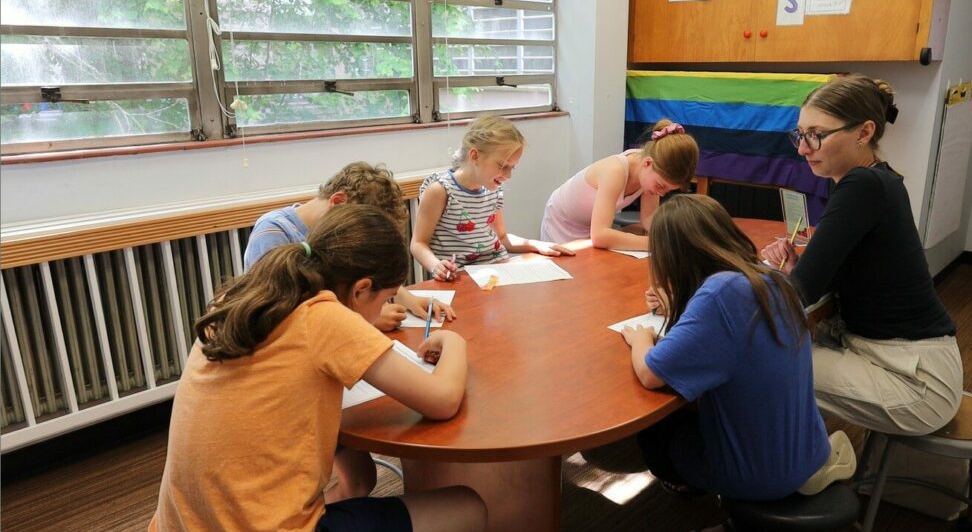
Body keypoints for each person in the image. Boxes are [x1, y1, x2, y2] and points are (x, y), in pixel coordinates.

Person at [149, 205, 486, 532]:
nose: (381, 309)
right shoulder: (324, 319)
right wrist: (453, 342)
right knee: (469, 507)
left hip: (179, 528)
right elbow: (442, 400)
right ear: (360, 289)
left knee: (354, 487)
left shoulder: (241, 297)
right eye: (383, 299)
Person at [761, 74, 965, 518]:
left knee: (764, 360)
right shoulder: (876, 181)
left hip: (916, 380)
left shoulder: (861, 186)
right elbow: (834, 274)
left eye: (816, 135)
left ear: (864, 131)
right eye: (800, 134)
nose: (802, 148)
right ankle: (796, 462)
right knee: (780, 349)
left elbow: (800, 292)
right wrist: (803, 267)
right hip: (909, 359)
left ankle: (798, 474)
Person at [622, 195, 856, 532]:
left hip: (759, 475)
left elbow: (651, 373)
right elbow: (730, 335)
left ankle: (709, 498)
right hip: (809, 451)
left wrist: (641, 338)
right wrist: (678, 303)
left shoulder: (718, 295)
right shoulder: (769, 279)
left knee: (655, 420)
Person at [244, 161, 456, 331]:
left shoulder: (340, 237)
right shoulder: (273, 234)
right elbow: (275, 318)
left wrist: (410, 299)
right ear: (338, 202)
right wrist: (360, 318)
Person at [412, 115, 574, 281]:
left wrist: (536, 245)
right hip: (460, 278)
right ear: (475, 156)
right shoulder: (440, 191)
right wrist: (436, 265)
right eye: (503, 166)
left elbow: (502, 238)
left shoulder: (493, 190)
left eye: (512, 168)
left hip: (496, 273)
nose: (508, 175)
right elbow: (418, 243)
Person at [540, 119, 699, 250]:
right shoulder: (615, 171)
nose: (662, 193)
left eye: (668, 190)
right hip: (561, 222)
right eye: (661, 186)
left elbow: (649, 218)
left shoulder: (650, 173)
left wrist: (669, 238)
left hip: (589, 227)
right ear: (647, 163)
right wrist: (654, 244)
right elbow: (600, 236)